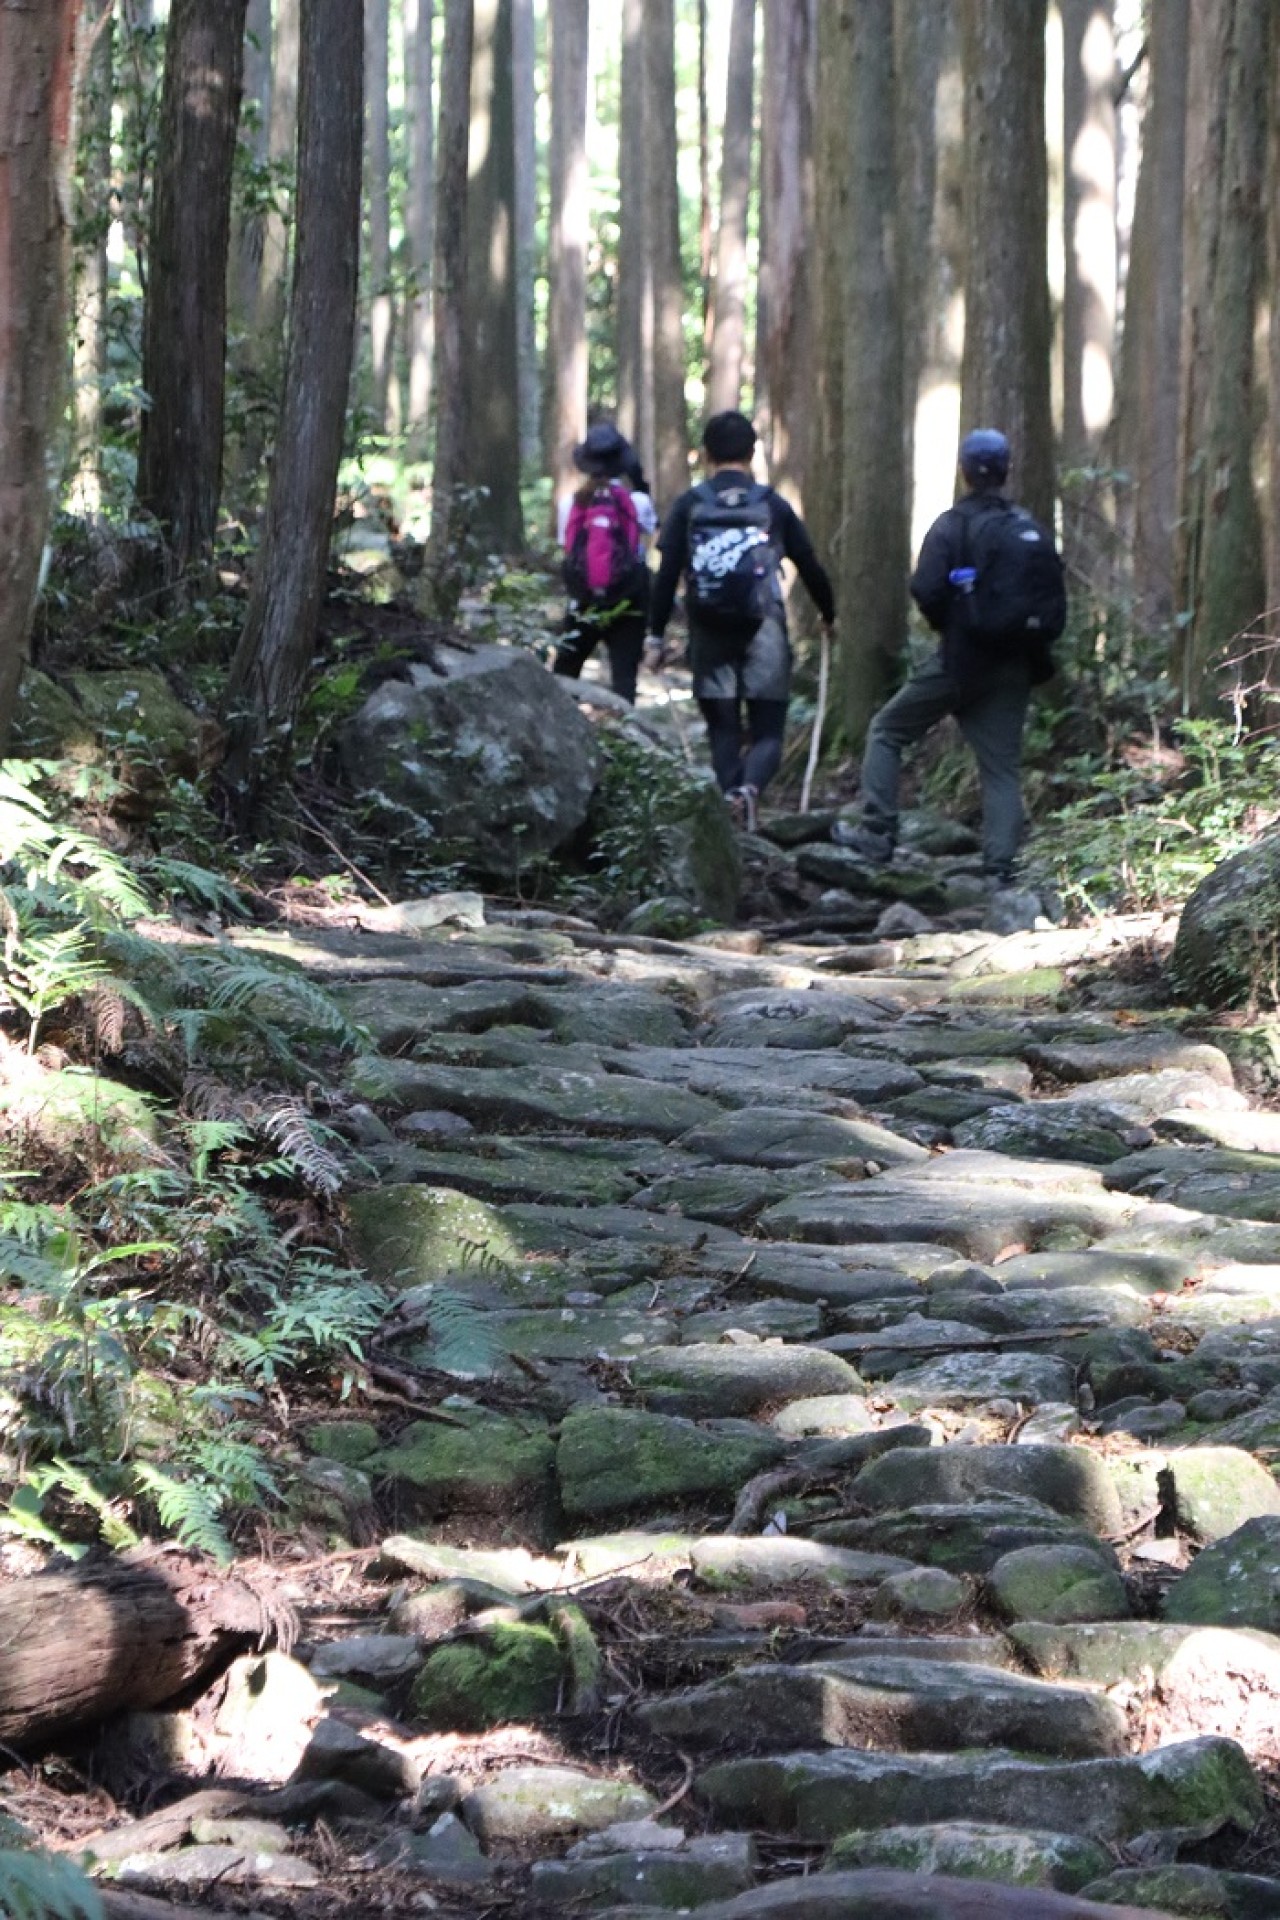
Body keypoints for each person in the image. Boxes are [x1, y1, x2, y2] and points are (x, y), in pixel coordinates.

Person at [842, 427, 1061, 886]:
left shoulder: (951, 525)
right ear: (1006, 471)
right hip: (1015, 666)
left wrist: (953, 621)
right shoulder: (1029, 526)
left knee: (886, 730)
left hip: (960, 662)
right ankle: (1001, 869)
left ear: (963, 472)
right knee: (1001, 769)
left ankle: (878, 835)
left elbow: (925, 587)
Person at [645, 410, 835, 831]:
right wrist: (828, 614)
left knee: (722, 730)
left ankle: (732, 807)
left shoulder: (691, 505)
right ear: (752, 453)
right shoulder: (771, 504)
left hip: (708, 628)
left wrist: (655, 636)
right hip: (763, 626)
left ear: (707, 455)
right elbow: (809, 564)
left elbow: (666, 573)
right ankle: (748, 793)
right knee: (768, 732)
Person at [554, 423, 657, 706]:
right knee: (624, 680)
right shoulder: (637, 501)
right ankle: (626, 739)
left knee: (565, 672)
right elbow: (648, 530)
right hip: (629, 600)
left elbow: (568, 546)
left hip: (583, 601)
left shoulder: (571, 504)